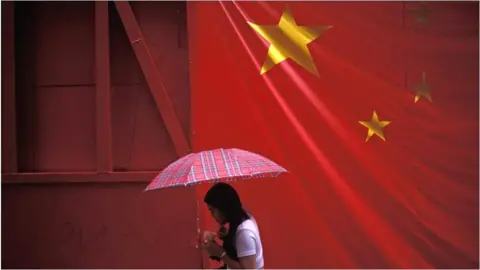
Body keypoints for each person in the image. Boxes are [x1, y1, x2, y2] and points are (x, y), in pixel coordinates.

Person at [202, 182, 264, 269]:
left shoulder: (244, 232)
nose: (211, 215)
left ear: (223, 208)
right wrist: (227, 237)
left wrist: (221, 253)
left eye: (212, 210)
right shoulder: (241, 220)